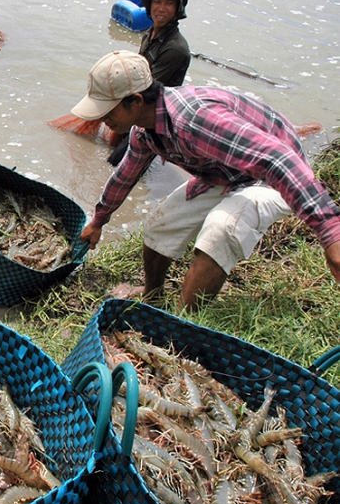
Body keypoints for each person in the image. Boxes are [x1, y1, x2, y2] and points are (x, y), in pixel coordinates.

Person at [73, 50, 340, 311]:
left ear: (136, 101)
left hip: (275, 177)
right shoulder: (145, 131)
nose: (101, 118)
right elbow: (125, 174)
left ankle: (181, 326)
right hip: (225, 172)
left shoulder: (195, 120)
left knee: (221, 228)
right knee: (161, 223)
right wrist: (98, 220)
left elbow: (279, 160)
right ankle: (152, 293)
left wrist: (331, 235)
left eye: (108, 109)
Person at [107, 0, 191, 166]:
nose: (161, 9)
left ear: (178, 9)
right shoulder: (149, 33)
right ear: (149, 4)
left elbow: (146, 88)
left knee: (115, 163)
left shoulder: (175, 49)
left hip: (152, 120)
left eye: (169, 3)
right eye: (157, 2)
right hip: (137, 108)